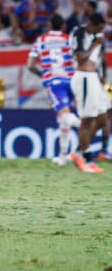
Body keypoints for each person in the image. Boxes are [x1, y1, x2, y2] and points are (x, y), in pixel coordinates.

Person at [26, 14, 80, 166]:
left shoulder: (40, 40)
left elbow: (30, 64)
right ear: (63, 26)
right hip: (71, 80)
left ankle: (89, 126)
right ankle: (62, 157)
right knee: (62, 118)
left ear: (49, 25)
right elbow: (77, 59)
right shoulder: (69, 38)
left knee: (65, 116)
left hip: (54, 82)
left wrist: (43, 75)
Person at [67, 13, 107, 173]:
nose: (101, 31)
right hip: (83, 78)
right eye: (100, 28)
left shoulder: (97, 37)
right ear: (94, 24)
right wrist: (95, 45)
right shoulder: (80, 33)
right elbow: (81, 58)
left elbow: (99, 62)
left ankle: (77, 152)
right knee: (86, 120)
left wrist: (104, 83)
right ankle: (87, 159)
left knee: (102, 118)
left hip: (96, 81)